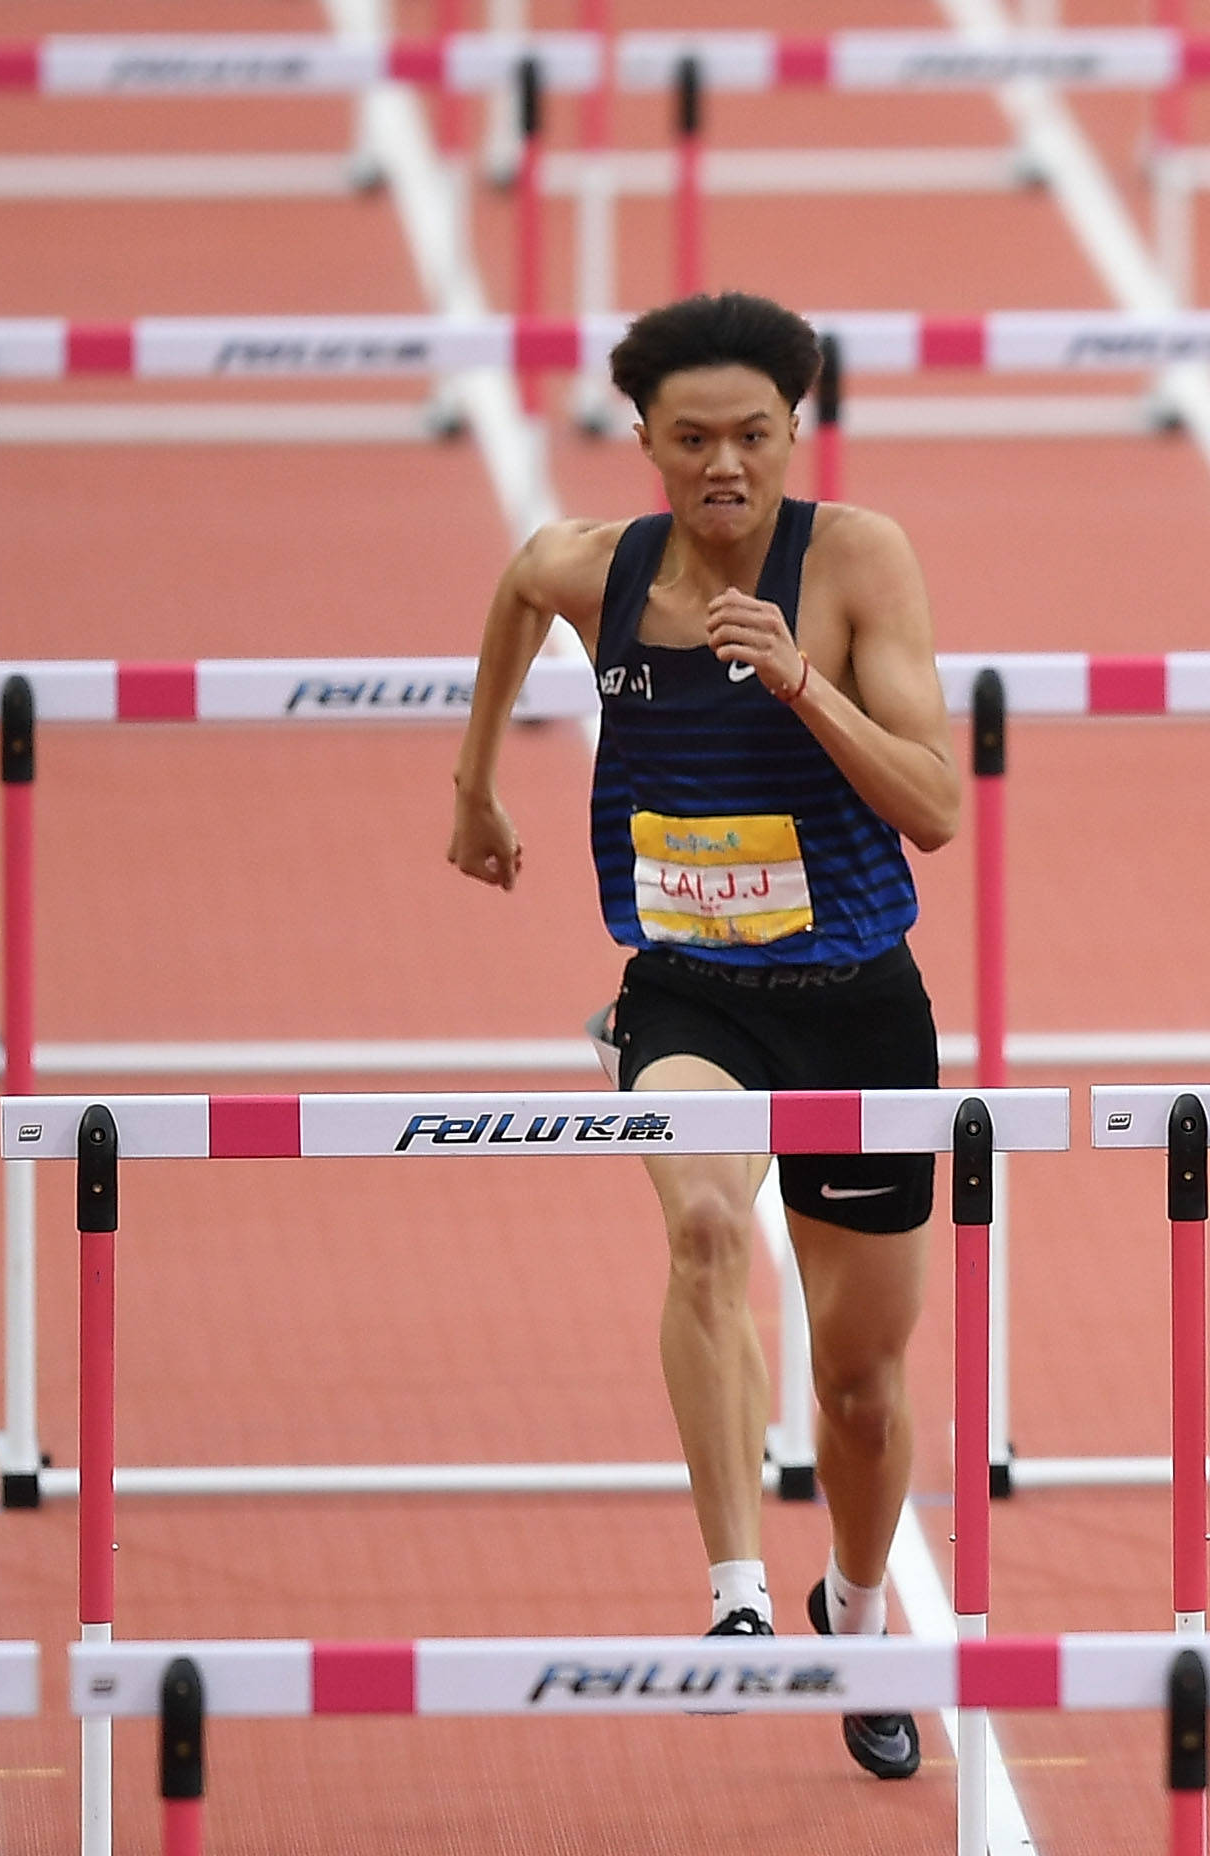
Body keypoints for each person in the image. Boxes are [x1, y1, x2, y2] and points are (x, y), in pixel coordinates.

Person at [446, 293, 959, 1780]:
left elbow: (932, 805)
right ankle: (736, 1595)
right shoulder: (600, 570)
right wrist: (475, 778)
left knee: (861, 1387)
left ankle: (854, 1612)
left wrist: (798, 676)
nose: (724, 463)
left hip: (859, 1003)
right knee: (703, 1237)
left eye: (753, 434)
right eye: (692, 439)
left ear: (796, 430)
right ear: (648, 443)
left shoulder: (858, 562)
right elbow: (516, 586)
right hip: (686, 995)